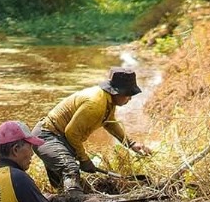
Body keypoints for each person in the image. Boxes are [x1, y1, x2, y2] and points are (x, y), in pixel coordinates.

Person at [33, 67, 151, 195]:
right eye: (128, 95)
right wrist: (84, 159)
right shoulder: (95, 104)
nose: (130, 99)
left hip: (60, 138)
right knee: (70, 168)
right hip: (47, 136)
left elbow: (110, 123)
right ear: (117, 92)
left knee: (62, 183)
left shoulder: (108, 100)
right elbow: (72, 133)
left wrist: (131, 144)